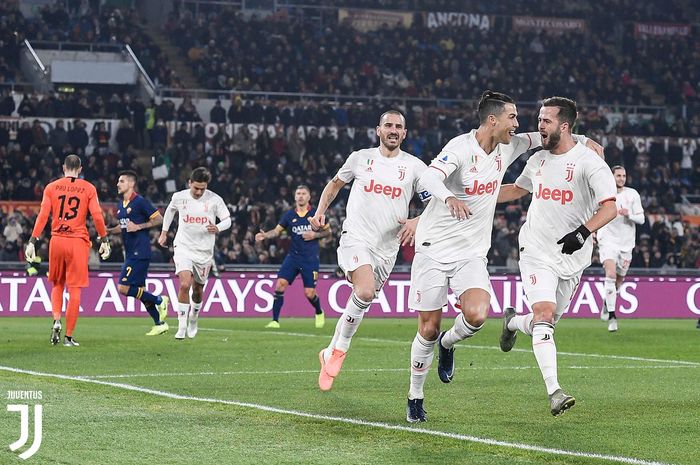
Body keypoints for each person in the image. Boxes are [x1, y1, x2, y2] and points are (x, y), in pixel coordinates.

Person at [404, 91, 603, 423]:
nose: (518, 124)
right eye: (512, 117)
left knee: (478, 315)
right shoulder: (459, 148)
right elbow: (428, 177)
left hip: (470, 254)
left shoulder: (509, 145)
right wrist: (448, 198)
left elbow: (548, 135)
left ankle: (449, 343)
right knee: (427, 328)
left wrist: (585, 139)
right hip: (433, 250)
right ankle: (415, 396)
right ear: (492, 120)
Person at [497, 96, 617, 416]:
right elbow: (517, 190)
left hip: (573, 255)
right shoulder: (537, 160)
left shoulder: (590, 163)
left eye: (545, 121)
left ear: (564, 126)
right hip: (536, 249)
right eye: (539, 119)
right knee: (545, 314)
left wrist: (582, 233)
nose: (539, 126)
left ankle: (512, 322)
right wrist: (477, 194)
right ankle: (555, 391)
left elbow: (610, 207)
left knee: (544, 322)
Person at [311, 110, 430, 392]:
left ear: (405, 133)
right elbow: (335, 183)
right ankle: (340, 349)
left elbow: (436, 203)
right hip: (356, 237)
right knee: (364, 291)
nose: (393, 130)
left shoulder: (415, 167)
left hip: (387, 249)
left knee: (361, 300)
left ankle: (328, 352)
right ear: (378, 130)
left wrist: (417, 220)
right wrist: (319, 212)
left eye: (398, 126)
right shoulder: (360, 158)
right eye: (388, 125)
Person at [24, 154, 111, 347]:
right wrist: (104, 238)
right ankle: (69, 337)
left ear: (64, 167)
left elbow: (43, 215)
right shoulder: (88, 188)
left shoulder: (51, 187)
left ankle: (56, 319)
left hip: (57, 240)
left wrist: (32, 240)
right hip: (77, 241)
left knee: (57, 284)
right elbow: (97, 215)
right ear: (80, 169)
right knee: (75, 289)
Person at [158, 167, 231, 340]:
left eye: (202, 189)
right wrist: (163, 232)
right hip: (183, 246)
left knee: (198, 289)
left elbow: (228, 219)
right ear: (189, 183)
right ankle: (181, 326)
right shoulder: (179, 197)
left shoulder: (215, 200)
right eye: (196, 188)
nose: (198, 192)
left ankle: (194, 318)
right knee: (184, 284)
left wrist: (218, 227)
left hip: (204, 251)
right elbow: (170, 211)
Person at [255, 185, 331, 329]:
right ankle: (275, 321)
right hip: (293, 257)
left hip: (310, 259)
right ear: (295, 197)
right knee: (280, 284)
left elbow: (329, 233)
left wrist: (315, 235)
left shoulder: (316, 213)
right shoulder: (289, 215)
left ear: (309, 197)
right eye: (298, 193)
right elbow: (277, 232)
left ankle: (319, 311)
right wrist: (265, 235)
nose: (301, 196)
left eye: (303, 193)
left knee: (309, 293)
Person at [107, 170, 169, 336]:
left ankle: (159, 299)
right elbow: (123, 226)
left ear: (131, 184)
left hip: (139, 251)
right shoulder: (121, 206)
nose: (118, 184)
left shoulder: (140, 202)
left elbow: (159, 219)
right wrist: (107, 231)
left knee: (123, 288)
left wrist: (139, 226)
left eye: (121, 181)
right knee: (140, 292)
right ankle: (159, 323)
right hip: (130, 252)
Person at [595, 166, 644, 332]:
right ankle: (612, 316)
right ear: (612, 176)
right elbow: (593, 213)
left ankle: (606, 303)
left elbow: (642, 219)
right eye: (618, 175)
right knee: (610, 275)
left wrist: (628, 213)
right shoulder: (604, 193)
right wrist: (593, 232)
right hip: (607, 240)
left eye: (624, 175)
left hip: (626, 244)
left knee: (619, 281)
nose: (621, 178)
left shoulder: (633, 194)